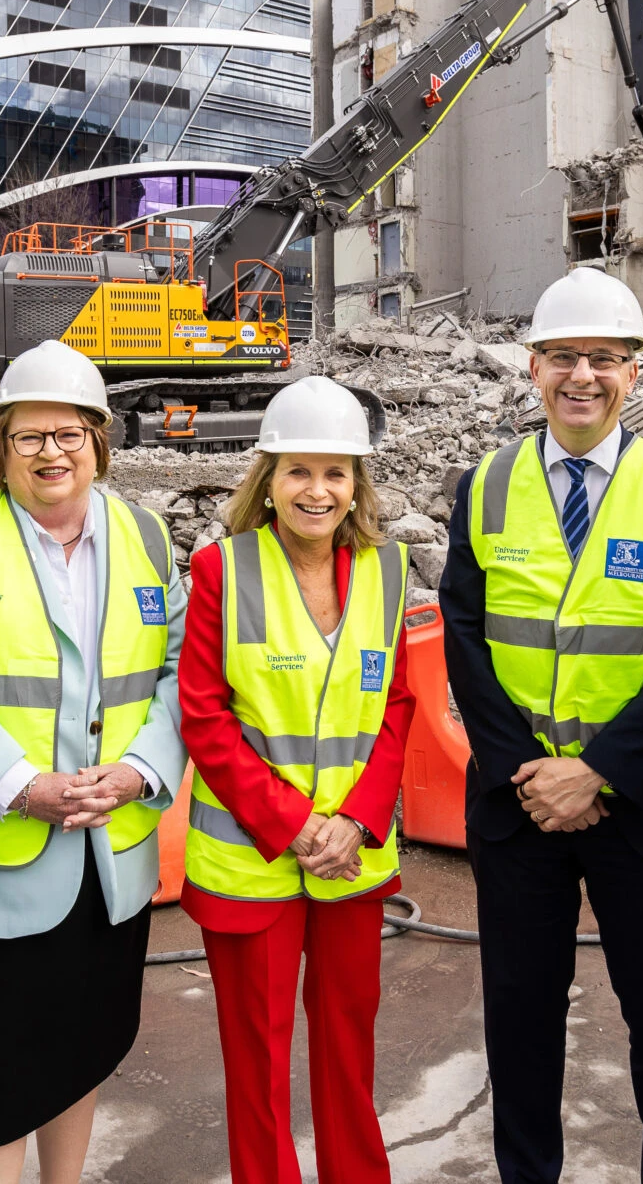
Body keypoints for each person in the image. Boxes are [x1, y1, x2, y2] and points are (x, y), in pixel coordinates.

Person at [442, 267, 643, 1184]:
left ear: (634, 372)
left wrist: (598, 772)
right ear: (532, 368)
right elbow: (464, 639)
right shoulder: (484, 486)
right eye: (564, 356)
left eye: (604, 358)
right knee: (519, 1028)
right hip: (517, 808)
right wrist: (531, 770)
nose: (582, 376)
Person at [0, 339, 187, 1183]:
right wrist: (24, 786)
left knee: (82, 1049)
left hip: (108, 864)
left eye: (70, 433)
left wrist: (140, 769)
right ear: (1, 446)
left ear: (100, 439)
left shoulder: (146, 535)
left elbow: (179, 675)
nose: (52, 452)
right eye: (29, 436)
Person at [177, 376, 415, 1184]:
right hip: (254, 864)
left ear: (358, 484)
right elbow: (205, 718)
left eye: (336, 472)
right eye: (299, 471)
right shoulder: (220, 570)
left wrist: (354, 820)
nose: (318, 490)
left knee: (349, 1052)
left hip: (353, 858)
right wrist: (298, 826)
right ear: (267, 478)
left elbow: (398, 707)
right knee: (258, 1065)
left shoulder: (388, 570)